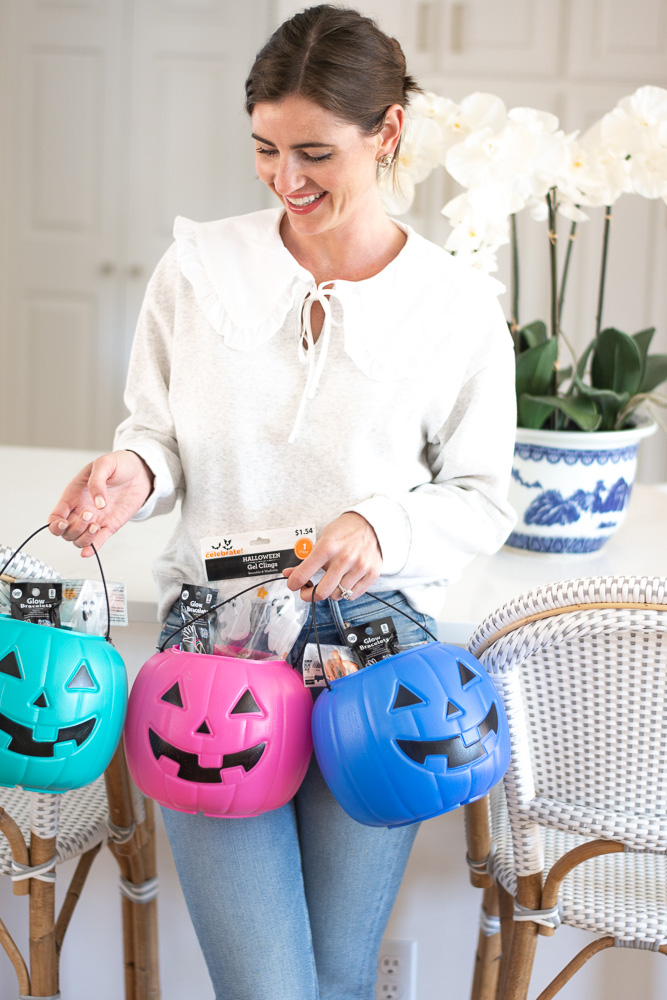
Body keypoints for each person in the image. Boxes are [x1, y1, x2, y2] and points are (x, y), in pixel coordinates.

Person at [48, 6, 516, 998]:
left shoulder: (457, 306)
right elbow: (158, 436)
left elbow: (481, 496)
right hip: (213, 654)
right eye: (264, 148)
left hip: (375, 663)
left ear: (387, 132)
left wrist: (380, 521)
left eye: (314, 152)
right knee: (268, 985)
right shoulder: (198, 269)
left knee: (340, 976)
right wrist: (130, 474)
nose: (285, 178)